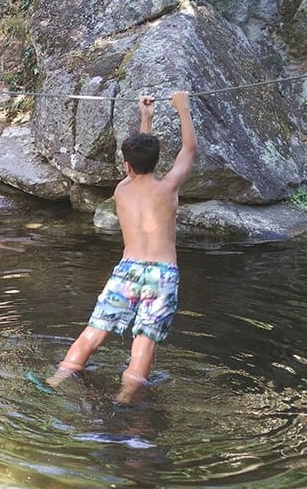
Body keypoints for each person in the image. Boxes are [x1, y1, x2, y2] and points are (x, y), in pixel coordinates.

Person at [47, 91, 197, 406]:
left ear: (126, 165)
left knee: (94, 330)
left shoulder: (121, 191)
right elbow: (189, 148)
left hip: (126, 272)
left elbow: (139, 161)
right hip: (161, 274)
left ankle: (58, 378)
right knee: (144, 341)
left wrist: (146, 118)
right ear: (156, 162)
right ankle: (126, 399)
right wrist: (182, 109)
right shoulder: (167, 189)